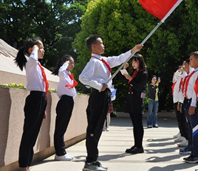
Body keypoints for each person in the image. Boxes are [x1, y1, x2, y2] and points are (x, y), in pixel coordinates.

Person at [79, 34, 142, 171]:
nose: (103, 45)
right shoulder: (94, 62)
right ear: (94, 46)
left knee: (97, 128)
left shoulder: (103, 60)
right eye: (101, 43)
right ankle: (90, 162)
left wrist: (133, 50)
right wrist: (98, 85)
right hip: (99, 95)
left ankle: (93, 160)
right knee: (94, 129)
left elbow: (119, 59)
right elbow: (83, 77)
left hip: (104, 95)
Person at [14, 37, 48, 171]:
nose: (43, 50)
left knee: (33, 135)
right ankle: (23, 166)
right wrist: (34, 49)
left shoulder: (38, 65)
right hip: (34, 99)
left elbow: (42, 86)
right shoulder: (31, 63)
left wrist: (43, 107)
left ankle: (28, 164)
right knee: (28, 134)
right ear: (31, 50)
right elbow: (33, 58)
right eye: (40, 48)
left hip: (40, 100)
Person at [51, 55, 77, 161]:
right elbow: (61, 70)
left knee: (63, 127)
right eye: (70, 62)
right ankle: (60, 153)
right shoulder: (63, 73)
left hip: (69, 101)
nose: (72, 64)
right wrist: (65, 63)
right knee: (60, 128)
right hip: (65, 101)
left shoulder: (69, 74)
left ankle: (61, 151)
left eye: (72, 62)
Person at [121, 54, 148, 154]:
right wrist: (124, 70)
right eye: (132, 62)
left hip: (137, 101)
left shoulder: (143, 74)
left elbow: (138, 87)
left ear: (140, 62)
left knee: (138, 124)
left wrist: (130, 79)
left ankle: (139, 146)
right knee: (134, 125)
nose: (133, 64)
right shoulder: (134, 72)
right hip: (131, 100)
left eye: (135, 62)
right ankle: (136, 144)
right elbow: (124, 79)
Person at [183, 51, 198, 164]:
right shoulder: (194, 72)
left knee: (195, 129)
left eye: (191, 59)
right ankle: (194, 152)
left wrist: (192, 105)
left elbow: (196, 89)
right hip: (190, 101)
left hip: (193, 102)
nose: (189, 61)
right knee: (192, 128)